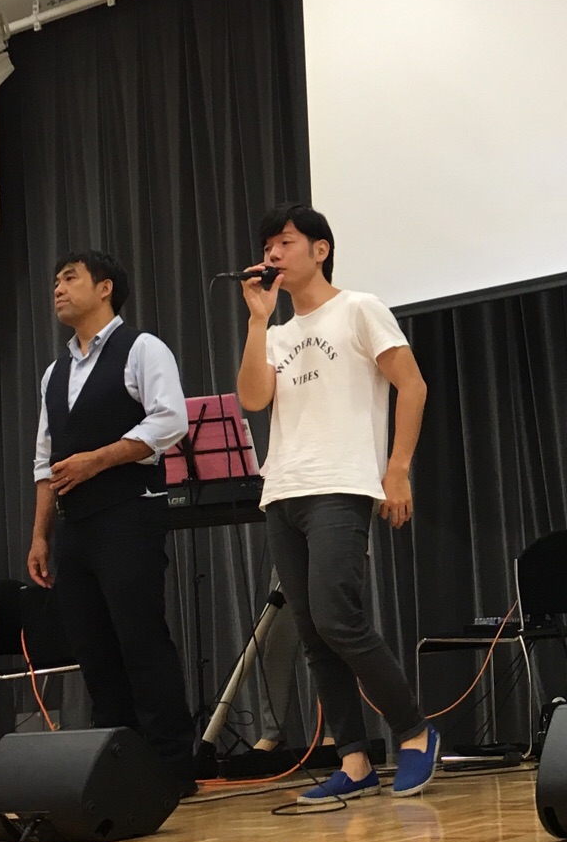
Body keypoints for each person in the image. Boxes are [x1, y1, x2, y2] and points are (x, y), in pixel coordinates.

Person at [236, 203, 438, 803]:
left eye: (285, 242)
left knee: (337, 619)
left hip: (341, 485)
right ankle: (353, 759)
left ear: (320, 249)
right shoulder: (275, 333)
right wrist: (257, 320)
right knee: (312, 633)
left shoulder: (359, 308)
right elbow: (253, 399)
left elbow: (413, 385)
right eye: (267, 246)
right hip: (283, 489)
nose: (273, 254)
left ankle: (414, 731)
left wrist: (396, 470)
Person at [27, 249, 195, 791]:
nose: (57, 288)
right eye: (55, 280)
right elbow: (45, 461)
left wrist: (97, 460)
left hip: (129, 513)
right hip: (74, 527)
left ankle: (172, 767)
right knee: (93, 649)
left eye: (69, 278)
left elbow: (170, 420)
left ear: (104, 288)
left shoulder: (142, 348)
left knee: (140, 639)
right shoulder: (54, 373)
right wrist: (40, 535)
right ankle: (118, 768)